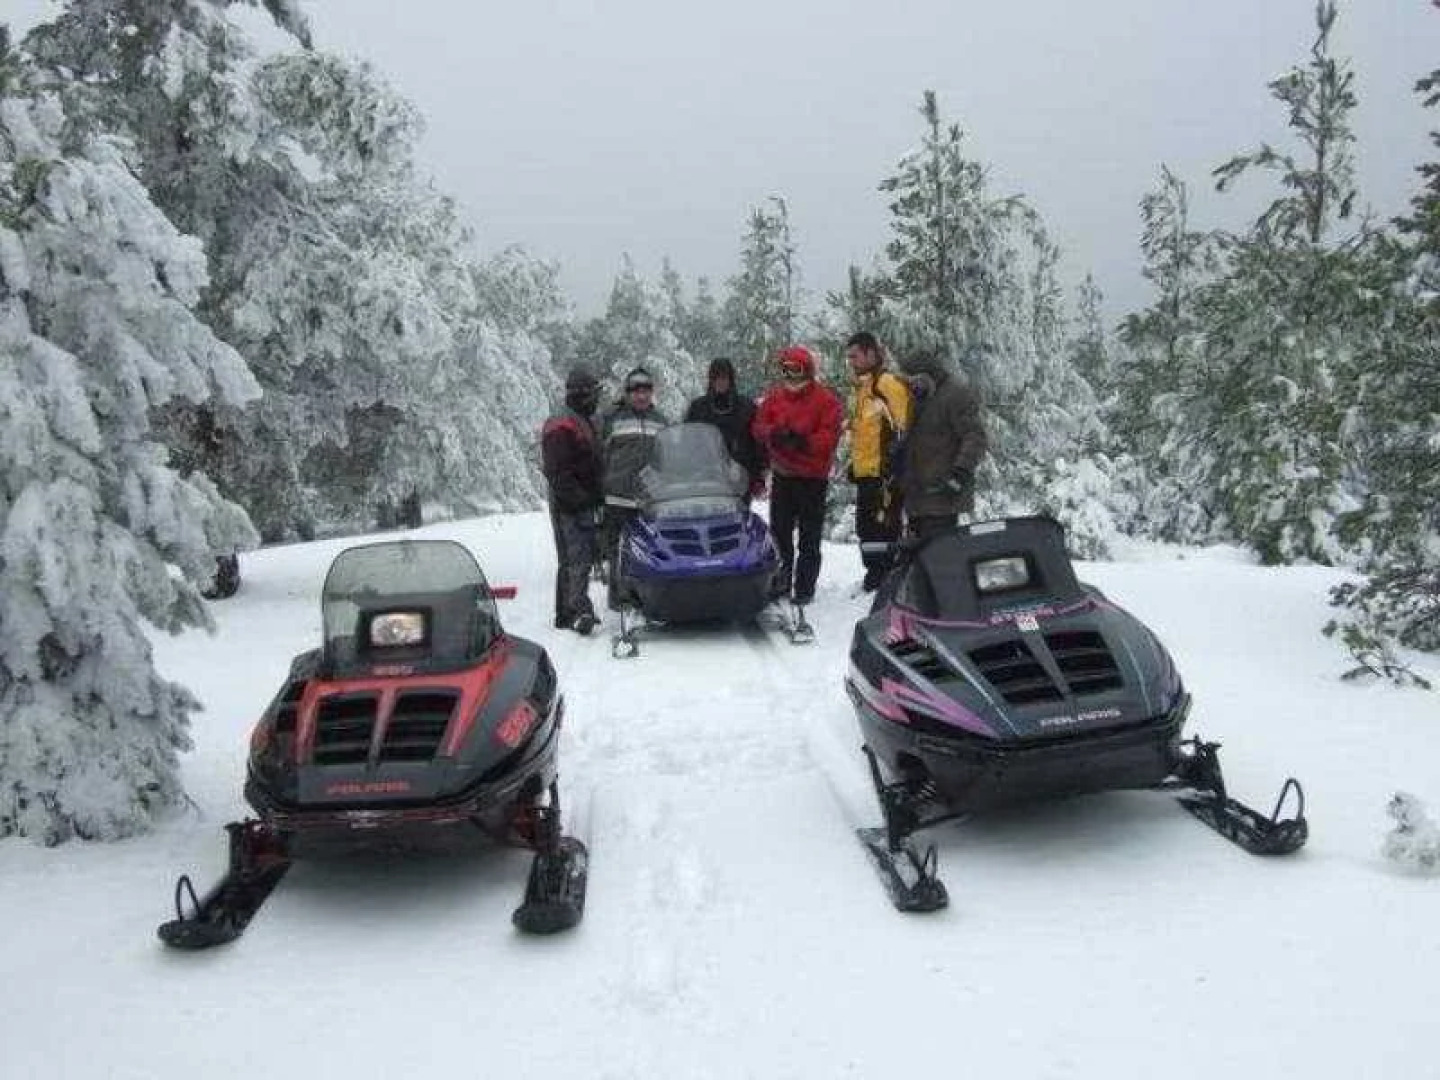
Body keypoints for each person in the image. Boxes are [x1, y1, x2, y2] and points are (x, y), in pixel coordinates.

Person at [751, 345, 843, 607]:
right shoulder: (775, 397)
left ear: (808, 371)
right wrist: (774, 433)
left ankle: (805, 587)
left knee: (809, 536)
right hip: (784, 475)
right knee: (779, 533)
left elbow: (829, 436)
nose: (791, 376)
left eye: (796, 370)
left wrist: (803, 442)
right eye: (786, 370)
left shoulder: (825, 400)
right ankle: (780, 581)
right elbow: (758, 426)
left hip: (812, 478)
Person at [896, 347, 988, 540]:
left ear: (925, 376)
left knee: (939, 552)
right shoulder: (915, 398)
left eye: (913, 381)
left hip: (942, 495)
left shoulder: (955, 395)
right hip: (917, 497)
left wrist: (960, 472)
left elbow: (975, 436)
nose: (910, 387)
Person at [844, 331, 912, 591]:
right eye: (849, 357)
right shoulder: (862, 389)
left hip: (885, 475)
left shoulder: (887, 384)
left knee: (884, 528)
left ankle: (886, 578)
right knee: (866, 528)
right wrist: (856, 466)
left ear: (871, 353)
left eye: (855, 356)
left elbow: (904, 427)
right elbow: (865, 434)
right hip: (866, 473)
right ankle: (874, 576)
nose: (851, 362)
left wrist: (893, 465)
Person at [540, 366, 605, 635]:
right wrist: (578, 499)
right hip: (569, 504)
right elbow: (558, 471)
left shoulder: (584, 420)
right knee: (573, 558)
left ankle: (577, 606)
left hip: (585, 500)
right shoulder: (561, 424)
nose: (597, 400)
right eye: (594, 395)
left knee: (585, 557)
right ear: (582, 395)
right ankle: (572, 611)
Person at [601, 366, 670, 606]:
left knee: (649, 547)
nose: (641, 396)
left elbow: (666, 458)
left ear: (651, 393)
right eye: (636, 391)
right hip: (618, 496)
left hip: (649, 498)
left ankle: (649, 594)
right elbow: (600, 453)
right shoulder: (613, 419)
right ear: (628, 393)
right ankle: (619, 598)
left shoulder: (660, 421)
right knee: (619, 549)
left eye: (646, 391)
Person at [684, 357, 767, 502]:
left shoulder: (746, 407)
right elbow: (688, 442)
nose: (720, 382)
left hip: (740, 479)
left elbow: (758, 444)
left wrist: (758, 477)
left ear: (731, 379)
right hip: (705, 479)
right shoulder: (698, 408)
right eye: (716, 377)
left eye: (724, 377)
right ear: (711, 380)